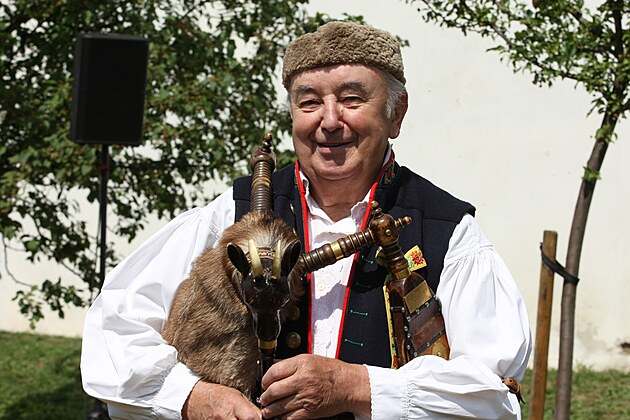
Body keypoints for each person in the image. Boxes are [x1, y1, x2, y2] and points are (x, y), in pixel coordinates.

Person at [81, 21, 531, 419]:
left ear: (396, 114)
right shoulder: (231, 213)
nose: (329, 121)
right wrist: (191, 397)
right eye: (310, 102)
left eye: (352, 99)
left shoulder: (447, 231)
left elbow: (493, 394)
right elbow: (114, 327)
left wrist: (357, 387)